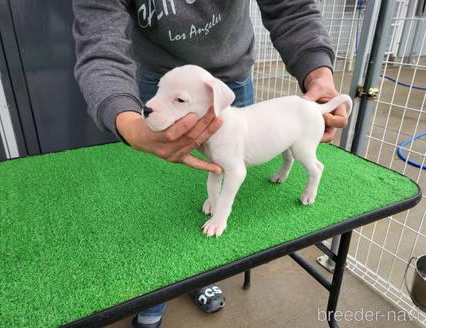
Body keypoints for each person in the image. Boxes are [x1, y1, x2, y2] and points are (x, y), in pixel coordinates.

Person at [73, 1, 348, 327]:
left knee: (294, 156)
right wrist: (129, 123)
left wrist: (317, 68)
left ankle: (204, 273)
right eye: (158, 94)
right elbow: (98, 45)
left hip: (233, 74)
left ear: (215, 102)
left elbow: (235, 170)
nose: (150, 106)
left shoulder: (227, 115)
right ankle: (153, 293)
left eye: (172, 99)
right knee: (170, 190)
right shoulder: (166, 91)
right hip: (165, 69)